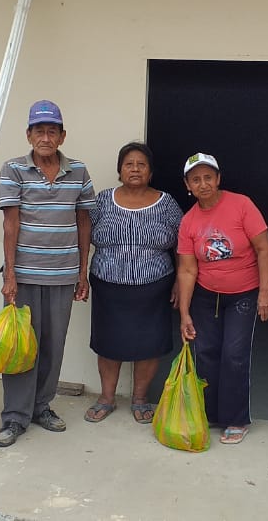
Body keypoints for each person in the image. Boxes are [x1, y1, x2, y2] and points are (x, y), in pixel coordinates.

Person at [0, 99, 95, 447]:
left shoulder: (78, 171)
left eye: (52, 131)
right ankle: (14, 416)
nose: (46, 138)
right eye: (39, 131)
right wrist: (10, 275)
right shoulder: (13, 169)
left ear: (62, 136)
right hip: (24, 274)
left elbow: (84, 222)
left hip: (63, 274)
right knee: (21, 347)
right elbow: (10, 223)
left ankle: (41, 407)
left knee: (53, 346)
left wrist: (82, 272)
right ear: (29, 135)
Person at [175, 152, 268, 445]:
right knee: (205, 353)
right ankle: (211, 414)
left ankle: (236, 419)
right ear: (187, 185)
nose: (203, 184)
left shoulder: (241, 205)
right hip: (206, 296)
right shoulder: (189, 221)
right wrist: (184, 313)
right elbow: (187, 269)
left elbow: (264, 249)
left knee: (234, 355)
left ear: (218, 179)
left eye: (208, 177)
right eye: (196, 179)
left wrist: (265, 292)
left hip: (243, 294)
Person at [84, 142, 184, 425]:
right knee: (108, 343)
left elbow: (183, 243)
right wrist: (80, 273)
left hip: (154, 286)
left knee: (149, 344)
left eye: (142, 164)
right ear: (120, 170)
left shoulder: (166, 203)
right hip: (108, 285)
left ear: (151, 171)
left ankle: (140, 399)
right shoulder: (103, 200)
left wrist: (180, 280)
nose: (135, 169)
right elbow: (84, 234)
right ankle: (106, 398)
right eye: (129, 164)